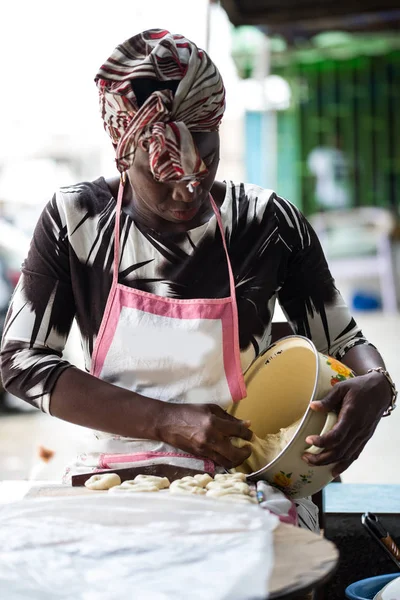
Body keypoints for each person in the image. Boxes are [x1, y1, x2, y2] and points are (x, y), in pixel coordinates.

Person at [0, 30, 396, 519]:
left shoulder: (267, 223)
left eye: (204, 162)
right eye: (165, 176)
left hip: (248, 476)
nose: (188, 191)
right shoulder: (76, 219)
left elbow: (342, 342)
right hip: (119, 477)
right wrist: (165, 420)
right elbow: (21, 361)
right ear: (125, 155)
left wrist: (376, 383)